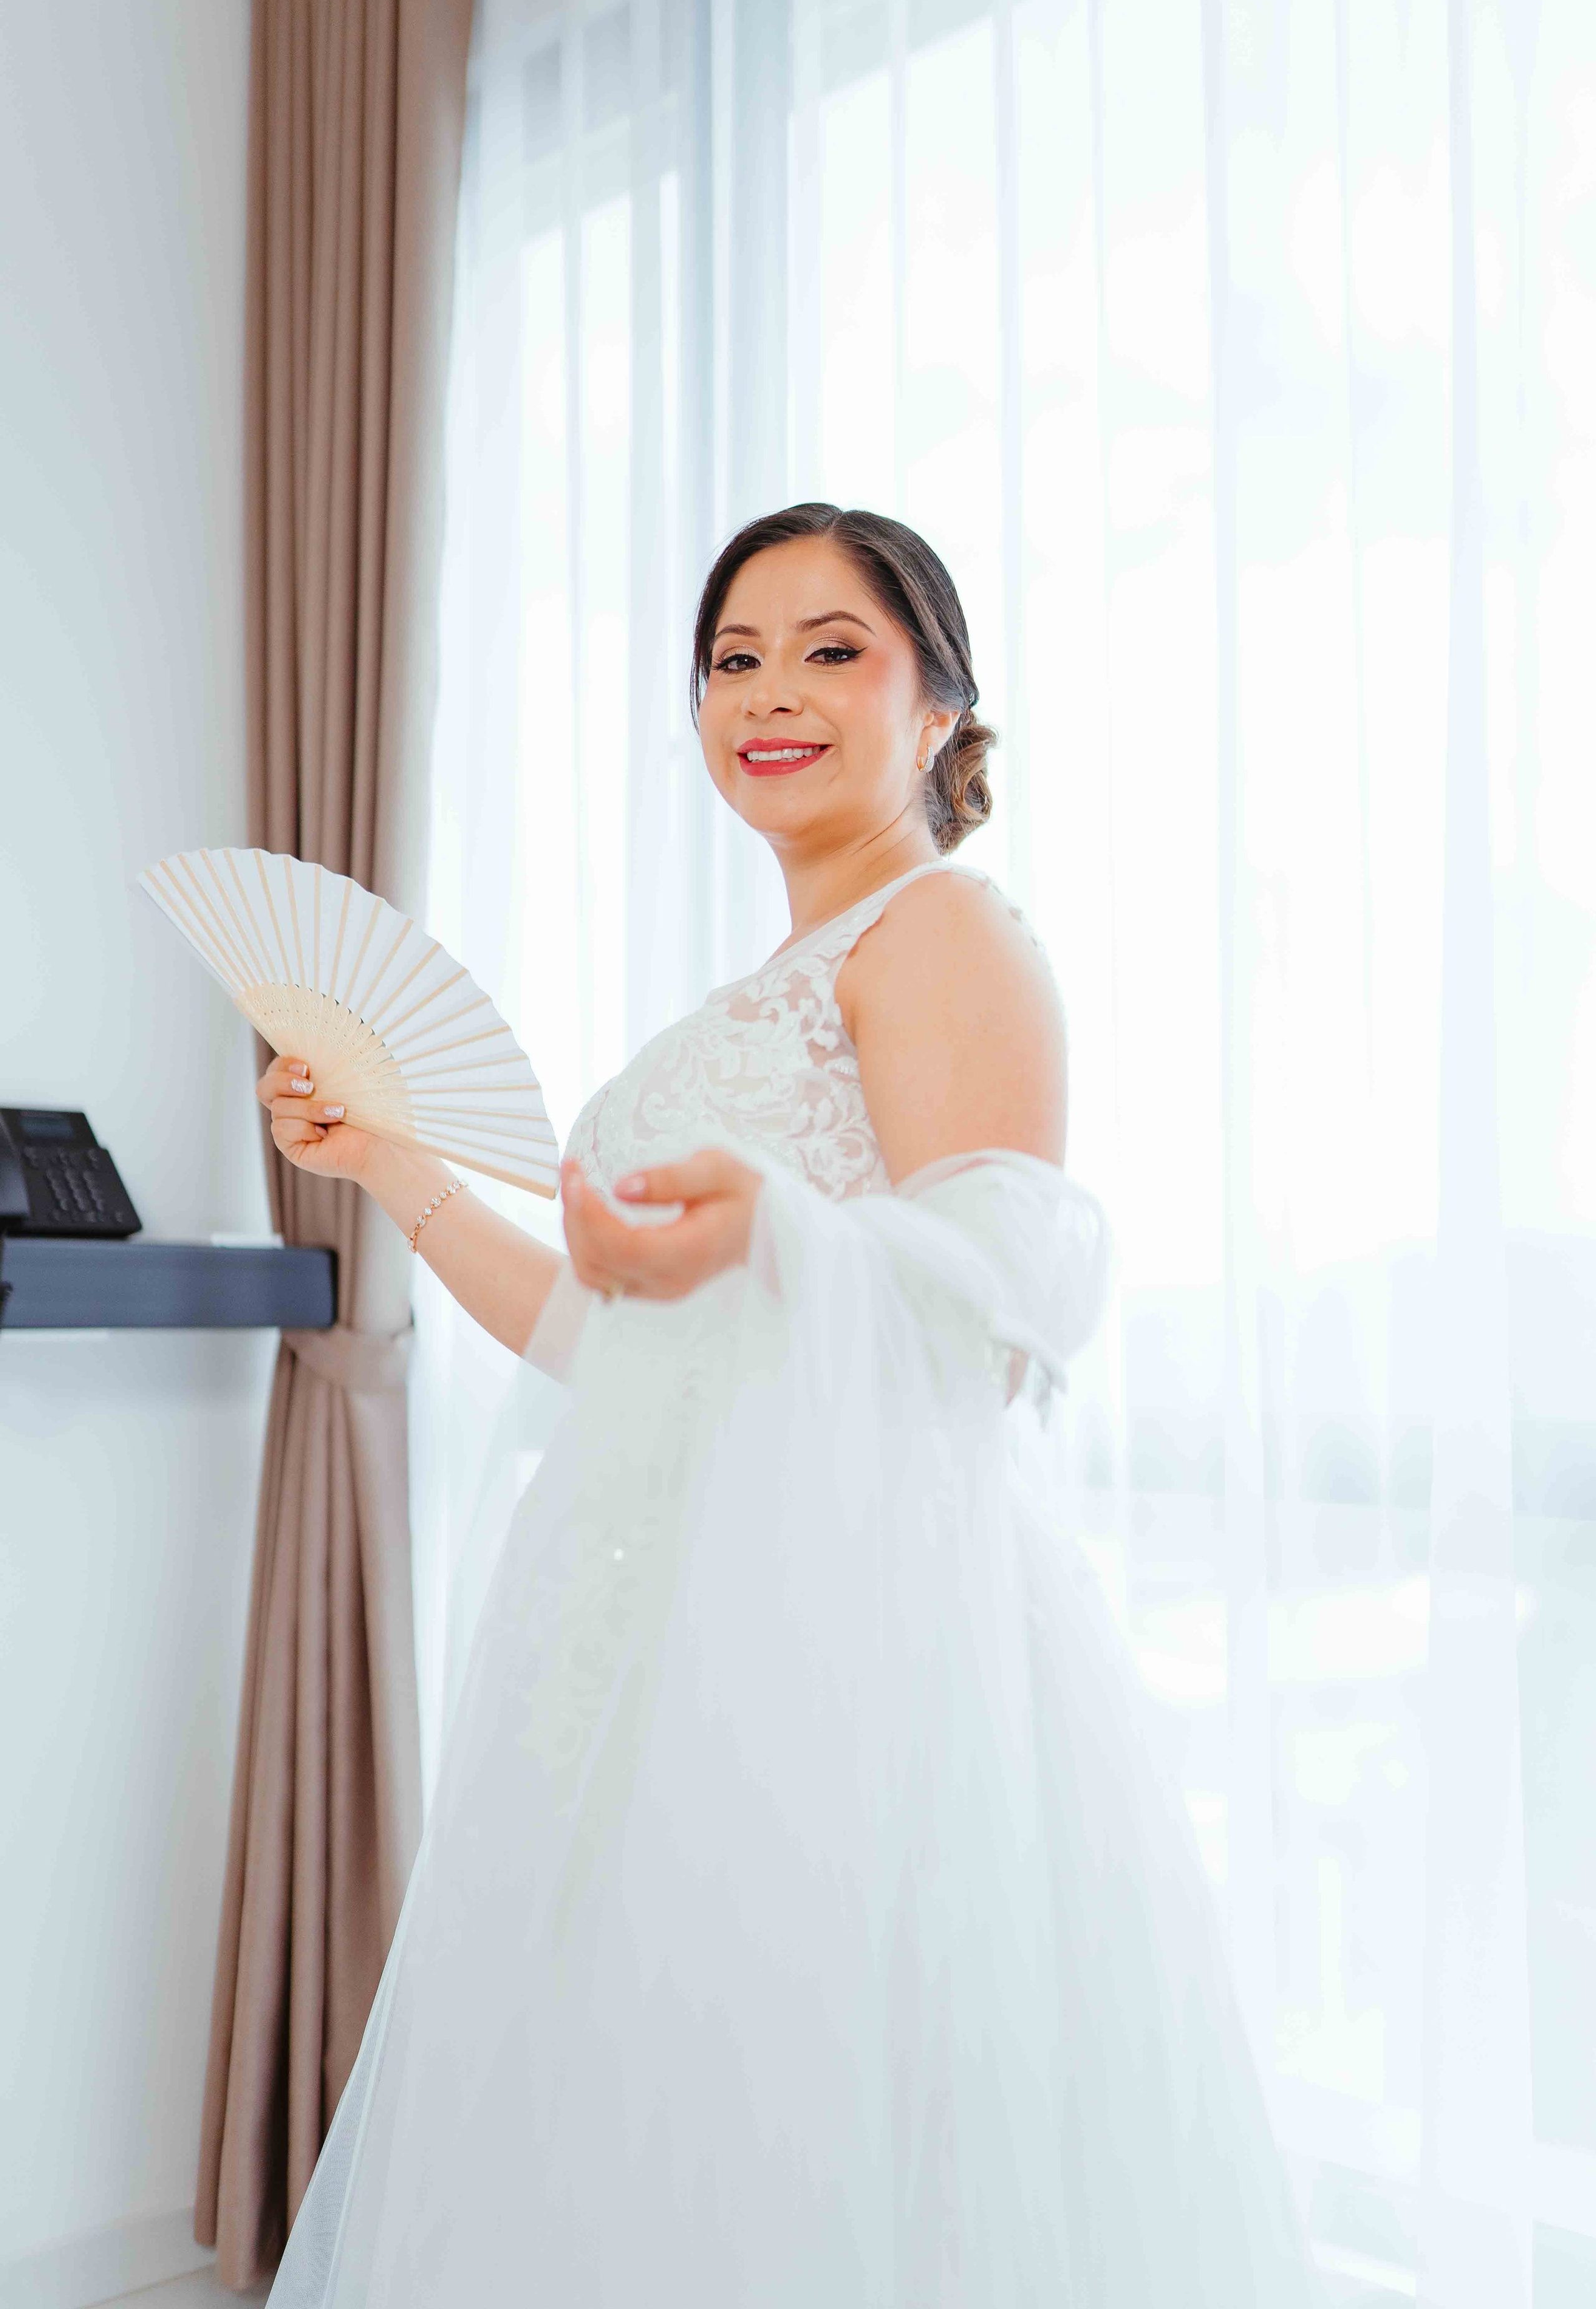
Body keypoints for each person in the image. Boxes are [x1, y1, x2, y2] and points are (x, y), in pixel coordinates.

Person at [261, 503, 1327, 2304]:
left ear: (939, 713)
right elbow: (601, 1338)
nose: (773, 691)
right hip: (649, 1636)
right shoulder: (760, 991)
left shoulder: (947, 934)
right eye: (735, 658)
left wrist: (785, 1247)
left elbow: (1013, 1296)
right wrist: (390, 1160)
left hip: (840, 1654)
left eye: (835, 649)